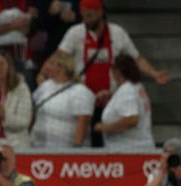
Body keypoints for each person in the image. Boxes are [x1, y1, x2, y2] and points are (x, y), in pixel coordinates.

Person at [57, 0, 168, 146]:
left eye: (90, 16)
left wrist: (155, 73)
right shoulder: (75, 33)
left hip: (112, 100)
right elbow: (60, 58)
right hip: (84, 100)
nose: (87, 20)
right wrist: (54, 75)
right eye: (84, 16)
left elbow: (136, 58)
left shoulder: (117, 33)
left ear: (100, 12)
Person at [31, 51, 94, 148]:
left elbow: (82, 124)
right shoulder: (44, 86)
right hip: (38, 146)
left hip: (64, 149)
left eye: (51, 63)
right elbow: (33, 111)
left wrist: (76, 150)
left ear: (62, 67)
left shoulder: (80, 91)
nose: (46, 66)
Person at [94, 54, 154, 150]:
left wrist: (105, 127)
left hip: (129, 149)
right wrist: (111, 101)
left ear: (117, 71)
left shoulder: (127, 90)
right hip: (139, 146)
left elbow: (132, 119)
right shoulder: (137, 86)